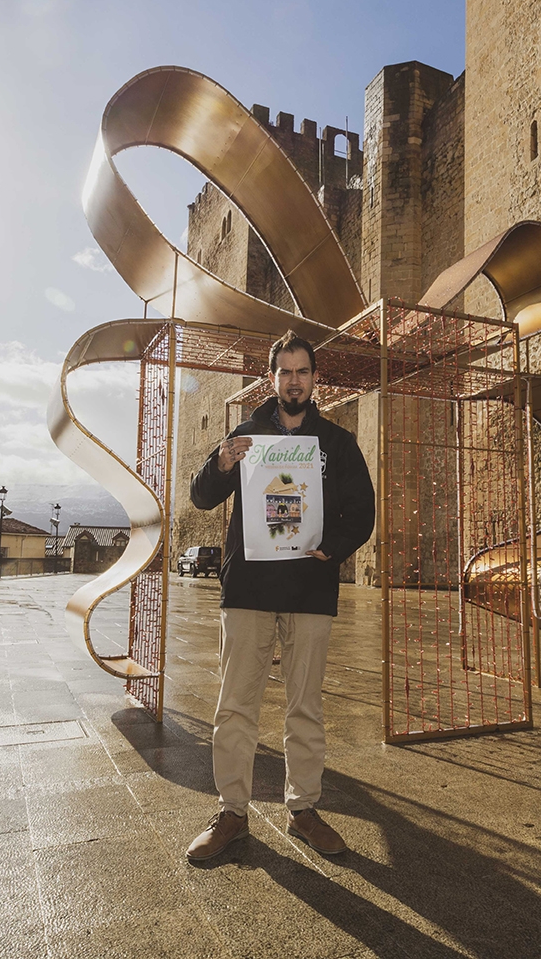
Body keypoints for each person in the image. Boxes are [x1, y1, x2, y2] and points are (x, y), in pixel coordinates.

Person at [185, 330, 375, 861]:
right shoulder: (245, 435)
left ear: (315, 379)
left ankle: (304, 810)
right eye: (284, 371)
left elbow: (361, 511)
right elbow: (201, 497)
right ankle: (231, 814)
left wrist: (332, 547)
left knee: (305, 708)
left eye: (302, 371)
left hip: (310, 589)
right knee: (236, 706)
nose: (294, 380)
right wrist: (222, 461)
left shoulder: (336, 444)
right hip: (248, 588)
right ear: (272, 379)